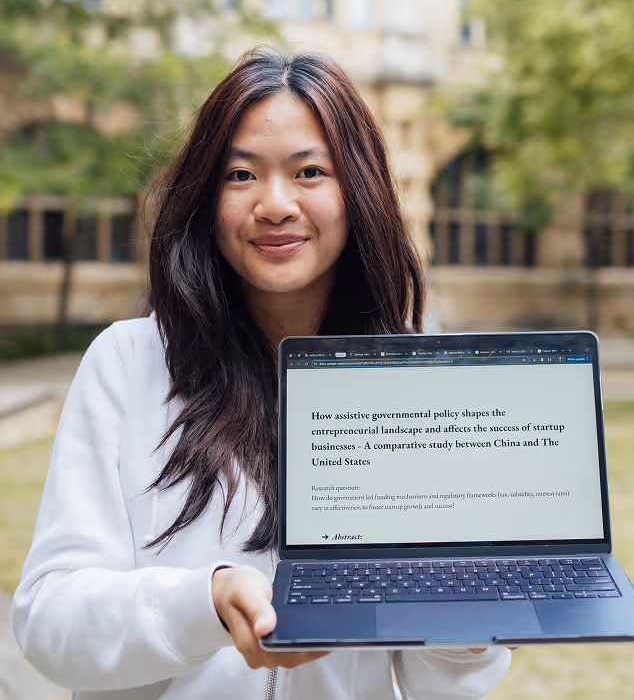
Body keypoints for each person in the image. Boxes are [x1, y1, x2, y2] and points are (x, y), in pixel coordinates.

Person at [12, 50, 511, 700]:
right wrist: (207, 601)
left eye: (309, 171)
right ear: (205, 195)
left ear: (357, 190)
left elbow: (439, 684)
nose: (275, 205)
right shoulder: (127, 364)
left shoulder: (407, 387)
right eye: (240, 174)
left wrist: (470, 616)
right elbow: (51, 620)